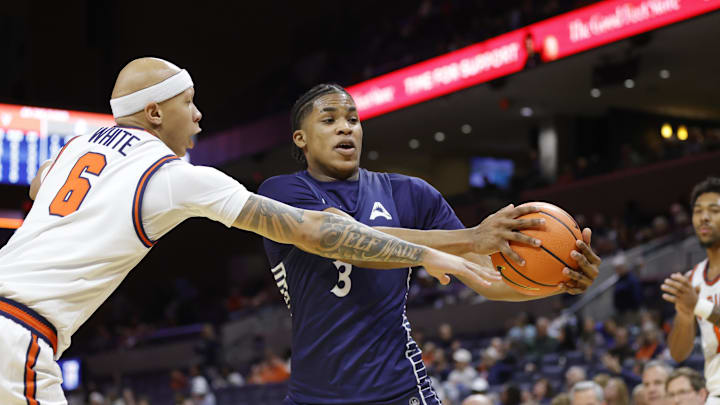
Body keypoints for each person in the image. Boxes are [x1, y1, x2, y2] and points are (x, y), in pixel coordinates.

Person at [0, 59, 491, 404]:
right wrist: (427, 253)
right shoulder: (173, 178)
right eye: (188, 103)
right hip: (17, 333)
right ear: (154, 114)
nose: (198, 116)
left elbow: (43, 180)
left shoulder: (77, 147)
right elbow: (319, 234)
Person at [258, 83, 602, 404]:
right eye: (329, 120)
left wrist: (561, 280)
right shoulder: (281, 194)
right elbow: (345, 240)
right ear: (301, 139)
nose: (346, 128)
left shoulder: (410, 194)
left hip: (399, 388)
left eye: (353, 119)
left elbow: (488, 277)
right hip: (313, 394)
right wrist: (469, 236)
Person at [662, 177, 720, 402]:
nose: (704, 217)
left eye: (714, 210)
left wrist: (698, 305)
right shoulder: (692, 278)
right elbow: (678, 353)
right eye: (698, 211)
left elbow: (701, 306)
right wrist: (685, 316)